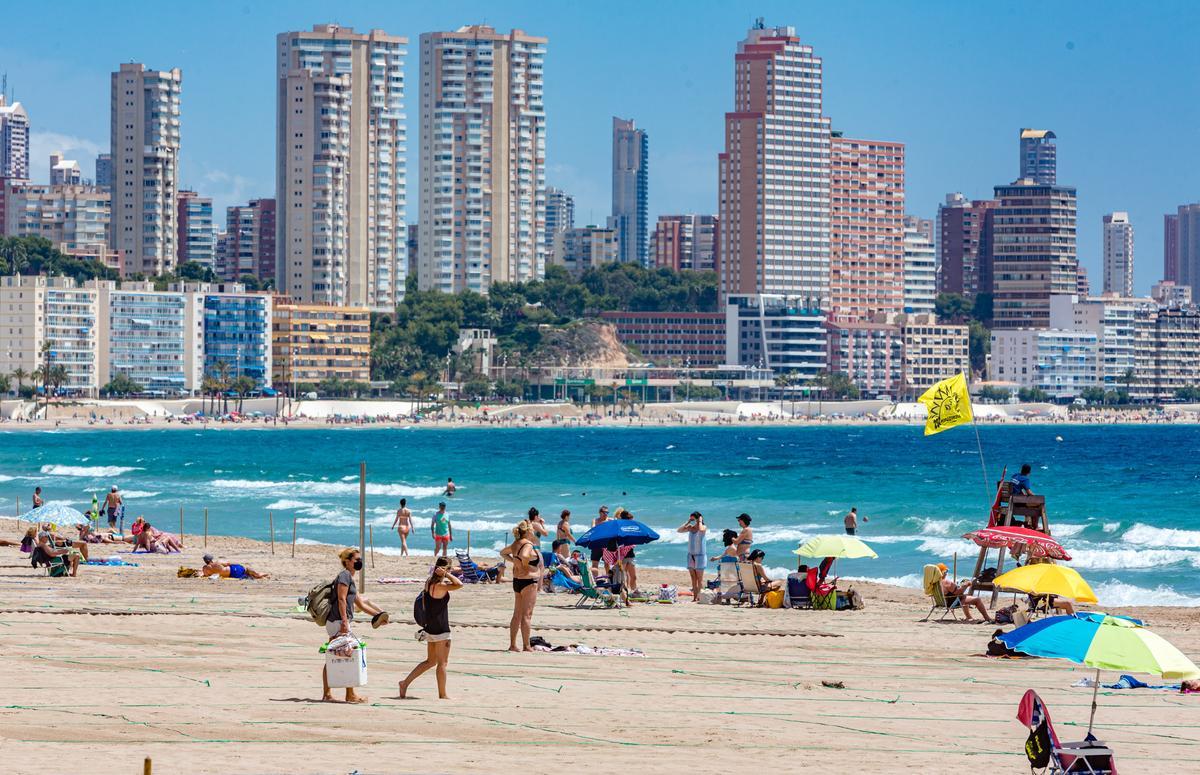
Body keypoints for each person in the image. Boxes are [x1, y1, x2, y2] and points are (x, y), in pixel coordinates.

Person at [322, 548, 388, 703]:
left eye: (360, 559)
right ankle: (341, 694)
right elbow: (341, 599)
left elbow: (361, 604)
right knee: (342, 654)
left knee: (339, 655)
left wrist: (379, 616)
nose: (360, 562)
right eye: (356, 559)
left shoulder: (350, 578)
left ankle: (338, 694)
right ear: (347, 561)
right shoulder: (344, 576)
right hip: (338, 621)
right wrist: (344, 621)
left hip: (340, 622)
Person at [398, 556, 462, 700]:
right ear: (444, 570)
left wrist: (445, 572)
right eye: (449, 569)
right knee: (442, 663)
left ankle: (405, 683)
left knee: (430, 661)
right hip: (441, 628)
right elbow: (459, 584)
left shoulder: (428, 583)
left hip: (430, 627)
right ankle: (443, 694)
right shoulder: (441, 586)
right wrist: (446, 574)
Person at [499, 520, 542, 652]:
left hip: (517, 581)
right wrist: (524, 565)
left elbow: (502, 553)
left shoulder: (515, 543)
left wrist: (515, 561)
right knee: (527, 615)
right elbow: (524, 555)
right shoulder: (528, 544)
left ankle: (512, 644)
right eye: (532, 529)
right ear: (528, 531)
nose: (534, 531)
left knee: (517, 614)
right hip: (528, 581)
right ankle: (526, 645)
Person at [678, 511, 707, 600]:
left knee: (700, 579)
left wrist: (700, 521)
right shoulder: (690, 528)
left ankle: (700, 597)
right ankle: (695, 597)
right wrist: (688, 522)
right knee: (693, 579)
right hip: (691, 556)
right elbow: (679, 530)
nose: (695, 520)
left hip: (700, 556)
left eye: (695, 518)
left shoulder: (703, 527)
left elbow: (701, 529)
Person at [201, 553, 268, 579]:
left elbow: (206, 575)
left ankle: (257, 575)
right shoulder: (217, 562)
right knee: (248, 570)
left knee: (249, 575)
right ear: (211, 560)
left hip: (232, 575)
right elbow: (229, 563)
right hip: (234, 570)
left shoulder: (204, 569)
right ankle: (263, 574)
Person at [590, 505, 610, 574]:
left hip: (606, 545)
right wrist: (602, 524)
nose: (606, 514)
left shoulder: (610, 520)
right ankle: (595, 580)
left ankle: (609, 579)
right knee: (595, 564)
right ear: (600, 512)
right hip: (596, 544)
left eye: (607, 512)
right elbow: (593, 529)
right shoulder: (595, 520)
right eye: (604, 512)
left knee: (607, 564)